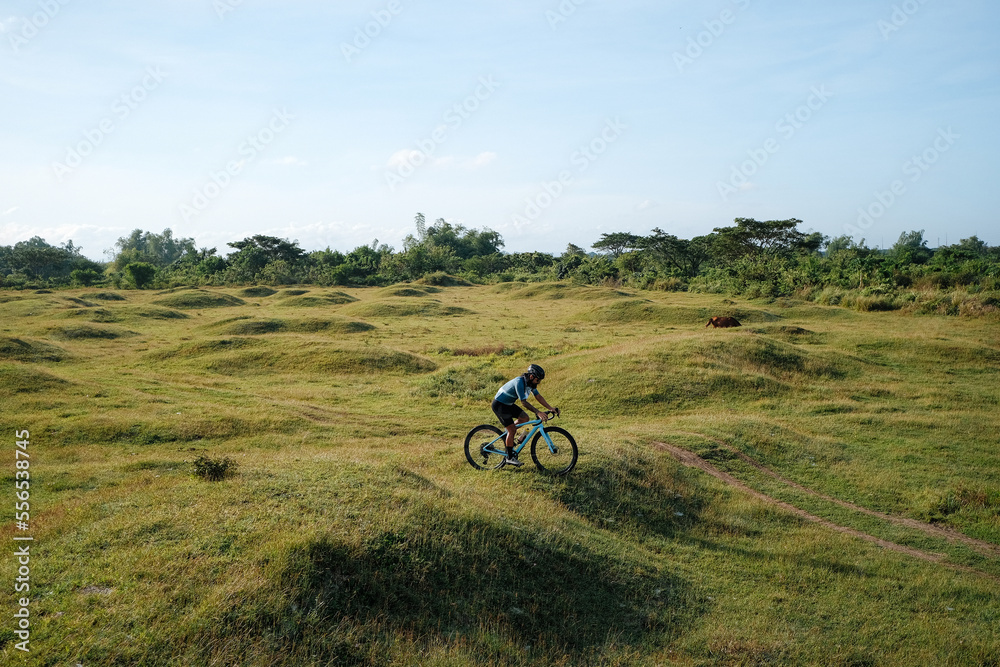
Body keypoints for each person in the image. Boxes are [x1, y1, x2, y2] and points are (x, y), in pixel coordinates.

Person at [492, 364, 559, 466]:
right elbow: (523, 402)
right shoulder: (519, 382)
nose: (539, 382)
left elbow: (538, 396)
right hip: (500, 405)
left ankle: (508, 434)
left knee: (525, 418)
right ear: (531, 376)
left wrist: (550, 408)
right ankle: (509, 458)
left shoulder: (530, 383)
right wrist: (538, 412)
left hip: (508, 404)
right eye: (538, 380)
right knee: (512, 430)